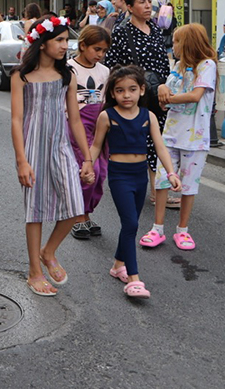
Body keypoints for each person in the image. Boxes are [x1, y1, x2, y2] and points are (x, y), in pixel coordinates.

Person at [11, 16, 95, 297]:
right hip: (32, 147)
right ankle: (34, 270)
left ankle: (49, 251)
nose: (65, 45)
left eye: (66, 40)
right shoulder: (21, 76)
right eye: (59, 40)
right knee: (34, 210)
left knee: (75, 204)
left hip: (60, 147)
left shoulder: (66, 76)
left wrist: (86, 158)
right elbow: (16, 119)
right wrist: (21, 160)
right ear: (43, 43)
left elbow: (74, 120)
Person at [89, 66, 180, 299]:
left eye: (131, 89)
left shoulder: (147, 116)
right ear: (112, 94)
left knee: (131, 224)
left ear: (141, 90)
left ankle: (118, 264)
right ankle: (134, 279)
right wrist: (87, 165)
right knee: (130, 224)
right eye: (120, 90)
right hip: (119, 176)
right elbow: (97, 145)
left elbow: (160, 146)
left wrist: (171, 173)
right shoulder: (106, 116)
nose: (126, 95)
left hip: (141, 176)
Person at [142, 23, 218, 251]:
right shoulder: (178, 65)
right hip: (171, 135)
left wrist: (168, 97)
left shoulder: (207, 65)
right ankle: (157, 228)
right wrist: (163, 88)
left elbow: (195, 96)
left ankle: (182, 230)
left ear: (188, 43)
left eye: (176, 41)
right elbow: (168, 87)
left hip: (195, 138)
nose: (172, 46)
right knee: (162, 181)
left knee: (188, 186)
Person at [104, 0, 174, 207]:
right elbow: (111, 66)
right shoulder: (122, 31)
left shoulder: (154, 28)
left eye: (149, 2)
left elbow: (163, 61)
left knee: (157, 139)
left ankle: (156, 189)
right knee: (140, 139)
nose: (147, 6)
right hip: (133, 95)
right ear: (130, 7)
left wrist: (165, 87)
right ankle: (145, 186)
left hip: (157, 93)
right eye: (142, 2)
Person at [67, 26, 111, 240]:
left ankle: (86, 213)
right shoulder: (68, 69)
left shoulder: (104, 71)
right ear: (82, 45)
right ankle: (78, 216)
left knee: (101, 172)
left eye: (103, 51)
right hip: (78, 124)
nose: (100, 54)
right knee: (87, 171)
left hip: (99, 125)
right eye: (96, 49)